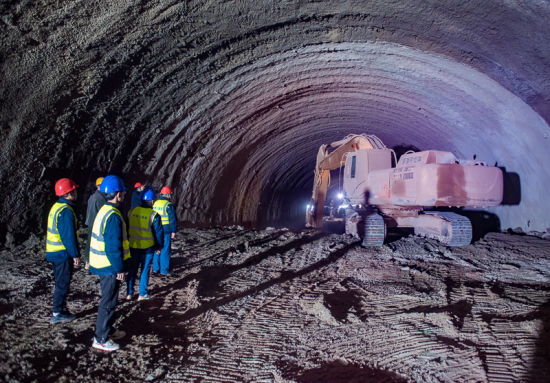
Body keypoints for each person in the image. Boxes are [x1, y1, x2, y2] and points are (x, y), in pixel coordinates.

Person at [89, 175, 131, 352]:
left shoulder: (105, 210)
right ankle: (101, 339)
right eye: (122, 192)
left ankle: (107, 330)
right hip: (108, 266)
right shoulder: (113, 216)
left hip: (102, 264)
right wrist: (119, 268)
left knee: (109, 300)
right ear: (117, 194)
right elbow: (113, 246)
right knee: (108, 302)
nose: (123, 195)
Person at [46, 178, 80, 324]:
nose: (76, 192)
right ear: (68, 194)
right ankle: (58, 312)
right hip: (62, 253)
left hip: (54, 252)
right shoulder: (65, 211)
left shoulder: (56, 207)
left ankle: (60, 309)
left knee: (61, 282)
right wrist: (75, 254)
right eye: (74, 190)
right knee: (63, 283)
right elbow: (68, 236)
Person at [127, 188, 164, 300]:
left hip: (133, 246)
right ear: (152, 201)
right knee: (144, 270)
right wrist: (159, 246)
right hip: (147, 249)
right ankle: (142, 294)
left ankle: (129, 293)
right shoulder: (153, 215)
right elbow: (158, 233)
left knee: (132, 270)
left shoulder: (131, 212)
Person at [152, 186, 177, 275]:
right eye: (170, 195)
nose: (170, 197)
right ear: (167, 195)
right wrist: (173, 231)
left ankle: (155, 269)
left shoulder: (155, 203)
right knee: (165, 250)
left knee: (157, 249)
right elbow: (172, 219)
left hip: (156, 229)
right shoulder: (168, 205)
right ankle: (164, 270)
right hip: (166, 229)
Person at [84, 177, 106, 269]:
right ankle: (90, 261)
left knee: (90, 240)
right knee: (94, 241)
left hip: (90, 221)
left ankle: (87, 260)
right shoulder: (100, 198)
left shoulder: (92, 196)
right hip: (95, 223)